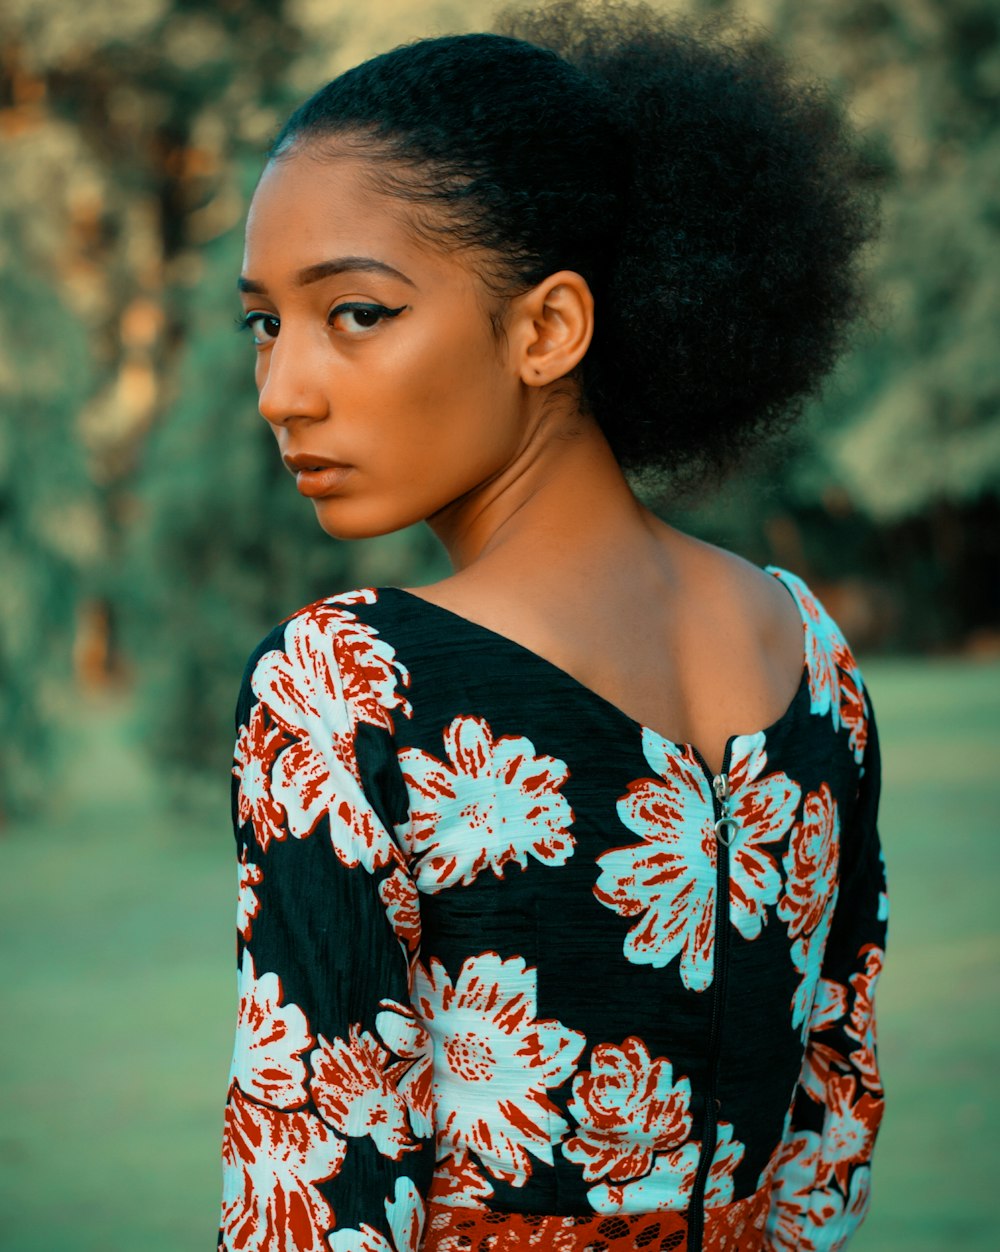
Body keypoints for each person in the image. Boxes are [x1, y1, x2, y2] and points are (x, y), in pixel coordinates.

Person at [219, 3, 887, 1249]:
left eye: (355, 312)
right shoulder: (808, 652)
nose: (282, 389)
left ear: (546, 329)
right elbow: (828, 1124)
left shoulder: (350, 682)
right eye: (265, 322)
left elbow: (313, 1188)